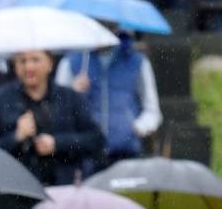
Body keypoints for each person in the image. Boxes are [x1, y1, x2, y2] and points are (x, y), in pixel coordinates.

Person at [0, 49, 106, 185]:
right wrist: (16, 137)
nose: (29, 67)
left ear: (50, 63)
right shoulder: (0, 99)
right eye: (22, 61)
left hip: (62, 185)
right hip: (19, 185)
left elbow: (96, 139)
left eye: (36, 60)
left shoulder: (68, 97)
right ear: (15, 66)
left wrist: (57, 143)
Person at [56, 32, 162, 165]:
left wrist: (137, 128)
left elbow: (152, 109)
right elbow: (58, 111)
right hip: (86, 154)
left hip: (126, 152)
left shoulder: (137, 61)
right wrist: (73, 92)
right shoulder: (71, 62)